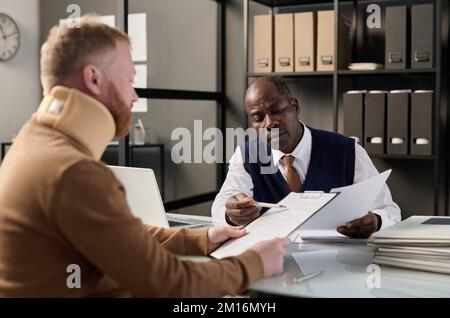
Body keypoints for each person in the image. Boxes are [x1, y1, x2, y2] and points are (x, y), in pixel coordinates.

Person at [0, 16, 290, 297]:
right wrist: (253, 264)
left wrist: (202, 238)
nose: (134, 96)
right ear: (93, 78)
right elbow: (168, 284)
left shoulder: (31, 143)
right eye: (129, 80)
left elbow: (119, 238)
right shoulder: (72, 171)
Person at [212, 77, 401, 238]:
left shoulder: (348, 151)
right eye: (258, 117)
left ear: (294, 106)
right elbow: (220, 207)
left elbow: (389, 210)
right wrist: (231, 214)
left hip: (336, 264)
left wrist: (376, 221)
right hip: (273, 264)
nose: (269, 123)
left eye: (276, 110)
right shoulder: (246, 156)